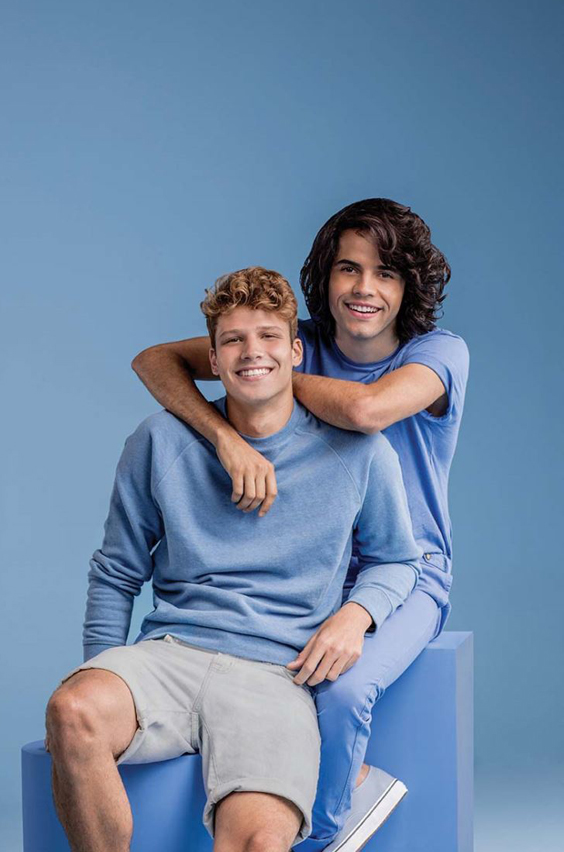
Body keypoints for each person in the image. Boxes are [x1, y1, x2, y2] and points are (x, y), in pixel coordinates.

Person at [131, 198, 470, 852]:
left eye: (386, 273)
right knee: (249, 678)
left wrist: (273, 384)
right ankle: (320, 791)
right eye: (349, 269)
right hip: (306, 568)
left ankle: (325, 831)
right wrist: (226, 437)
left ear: (409, 286)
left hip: (407, 571)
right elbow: (153, 361)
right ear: (325, 275)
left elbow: (368, 411)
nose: (365, 288)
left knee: (340, 691)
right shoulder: (295, 341)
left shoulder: (439, 352)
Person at [45, 266, 422, 852]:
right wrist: (104, 671)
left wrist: (357, 615)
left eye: (269, 336)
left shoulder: (360, 452)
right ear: (214, 361)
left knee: (257, 843)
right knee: (74, 709)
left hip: (275, 675)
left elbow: (398, 559)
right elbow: (116, 570)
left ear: (295, 351)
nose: (252, 352)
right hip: (169, 655)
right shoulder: (160, 441)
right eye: (233, 340)